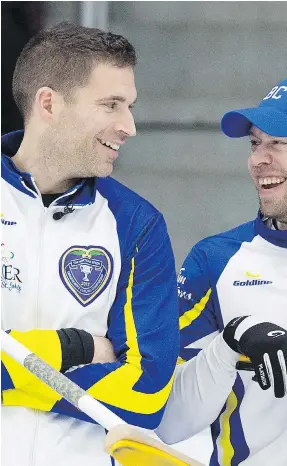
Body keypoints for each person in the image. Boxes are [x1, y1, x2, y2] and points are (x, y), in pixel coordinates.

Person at [1, 22, 179, 466]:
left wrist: (12, 376)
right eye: (111, 105)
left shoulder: (137, 225)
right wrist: (74, 348)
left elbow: (148, 391)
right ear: (49, 104)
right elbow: (116, 374)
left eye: (130, 106)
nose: (130, 127)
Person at [156, 74, 287, 465]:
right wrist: (229, 344)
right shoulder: (215, 259)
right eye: (255, 143)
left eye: (279, 143)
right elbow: (166, 421)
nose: (257, 160)